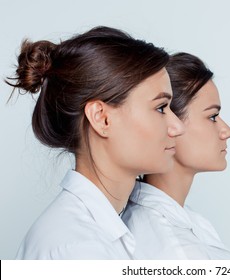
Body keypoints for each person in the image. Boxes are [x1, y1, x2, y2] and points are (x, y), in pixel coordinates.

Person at [6, 26, 184, 259]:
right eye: (160, 108)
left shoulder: (108, 229)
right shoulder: (77, 249)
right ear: (101, 118)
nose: (178, 127)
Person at [122, 52, 230, 259]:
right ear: (171, 124)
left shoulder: (189, 222)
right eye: (212, 117)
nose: (227, 131)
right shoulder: (173, 248)